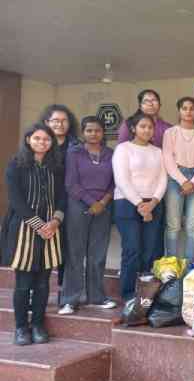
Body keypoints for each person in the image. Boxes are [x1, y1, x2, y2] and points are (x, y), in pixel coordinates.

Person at [1, 124, 65, 345]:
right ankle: (21, 327)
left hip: (51, 229)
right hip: (24, 230)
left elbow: (62, 197)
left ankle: (38, 324)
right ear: (28, 139)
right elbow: (16, 200)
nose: (42, 143)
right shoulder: (16, 165)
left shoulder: (56, 166)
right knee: (23, 283)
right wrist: (39, 225)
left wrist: (55, 221)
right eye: (37, 138)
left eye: (46, 139)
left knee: (43, 283)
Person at [60, 117, 116, 315]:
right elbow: (70, 183)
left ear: (103, 133)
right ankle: (70, 299)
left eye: (98, 131)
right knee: (75, 254)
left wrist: (103, 202)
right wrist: (92, 202)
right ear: (83, 132)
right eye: (90, 130)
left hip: (104, 207)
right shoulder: (73, 153)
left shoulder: (110, 153)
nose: (94, 134)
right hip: (78, 205)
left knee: (98, 254)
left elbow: (113, 182)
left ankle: (97, 297)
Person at [113, 113, 167, 300]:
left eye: (150, 127)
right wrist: (140, 204)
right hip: (127, 204)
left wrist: (153, 202)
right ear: (133, 128)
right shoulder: (123, 149)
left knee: (151, 250)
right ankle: (128, 294)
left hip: (153, 204)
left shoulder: (158, 152)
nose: (147, 130)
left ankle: (146, 294)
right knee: (132, 249)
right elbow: (121, 179)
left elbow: (162, 179)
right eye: (142, 126)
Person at [162, 97, 194, 263]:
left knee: (192, 226)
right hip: (175, 178)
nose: (188, 111)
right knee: (173, 225)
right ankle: (171, 264)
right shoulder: (170, 133)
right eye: (185, 108)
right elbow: (167, 159)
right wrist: (183, 181)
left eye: (191, 108)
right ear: (179, 111)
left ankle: (191, 264)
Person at [39, 104, 78, 299]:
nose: (60, 124)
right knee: (40, 249)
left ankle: (64, 290)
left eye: (64, 120)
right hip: (43, 203)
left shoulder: (76, 146)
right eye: (55, 120)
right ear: (46, 122)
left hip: (70, 203)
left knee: (66, 248)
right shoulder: (40, 144)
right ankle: (37, 292)